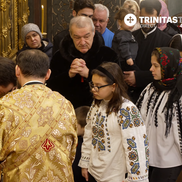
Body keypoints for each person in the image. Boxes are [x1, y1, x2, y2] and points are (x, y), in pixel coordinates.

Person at [0, 49, 77, 181]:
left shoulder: (5, 105)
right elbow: (72, 151)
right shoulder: (65, 104)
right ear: (48, 74)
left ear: (17, 71)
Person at [79, 62, 149, 182]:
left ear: (113, 86)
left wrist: (134, 178)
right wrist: (85, 162)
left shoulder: (127, 110)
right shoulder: (97, 105)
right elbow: (89, 134)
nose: (93, 89)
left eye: (98, 86)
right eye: (92, 84)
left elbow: (135, 146)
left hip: (115, 175)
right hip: (94, 171)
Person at [47, 16, 118, 109]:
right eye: (77, 37)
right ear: (71, 35)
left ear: (93, 33)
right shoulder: (59, 56)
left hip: (101, 110)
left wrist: (89, 74)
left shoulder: (108, 55)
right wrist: (69, 74)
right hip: (67, 111)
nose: (83, 42)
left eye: (86, 36)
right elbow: (51, 88)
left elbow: (117, 86)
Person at [136, 47, 182, 182]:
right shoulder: (150, 88)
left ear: (169, 67)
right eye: (152, 65)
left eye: (156, 66)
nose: (151, 69)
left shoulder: (178, 94)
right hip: (146, 158)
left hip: (168, 162)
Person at [124, 0, 171, 103]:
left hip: (152, 97)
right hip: (128, 95)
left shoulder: (166, 41)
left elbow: (165, 72)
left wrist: (138, 77)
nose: (146, 22)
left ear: (158, 17)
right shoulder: (130, 36)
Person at [72, 106, 90, 182]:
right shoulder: (77, 140)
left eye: (75, 125)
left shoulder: (85, 145)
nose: (71, 127)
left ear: (85, 127)